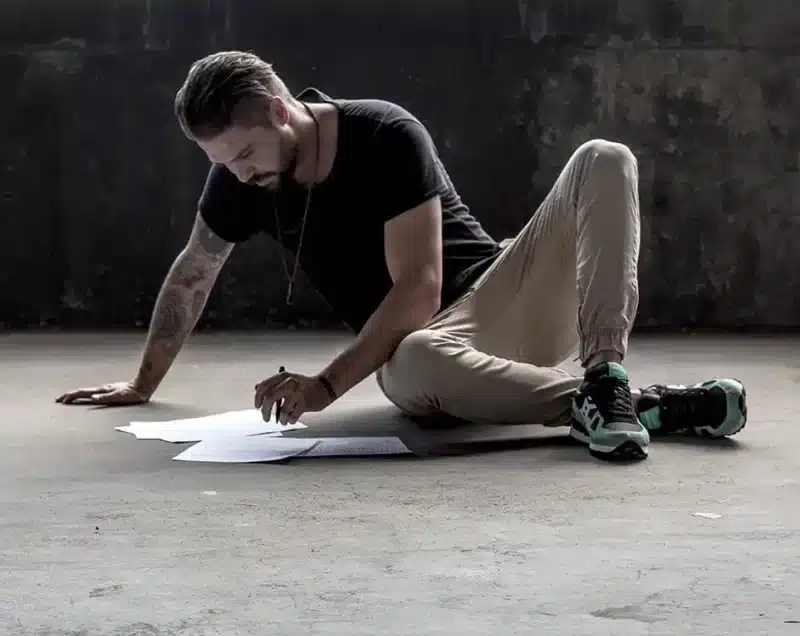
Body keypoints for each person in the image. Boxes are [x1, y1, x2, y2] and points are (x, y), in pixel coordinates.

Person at [56, 51, 747, 462]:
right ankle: (637, 408)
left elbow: (419, 286)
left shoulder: (383, 132)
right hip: (435, 360)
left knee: (604, 157)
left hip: (505, 297)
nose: (237, 173)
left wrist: (324, 387)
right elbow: (193, 273)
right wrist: (143, 384)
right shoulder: (243, 180)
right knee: (411, 359)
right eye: (220, 163)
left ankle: (605, 375)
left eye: (241, 154)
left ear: (276, 110)